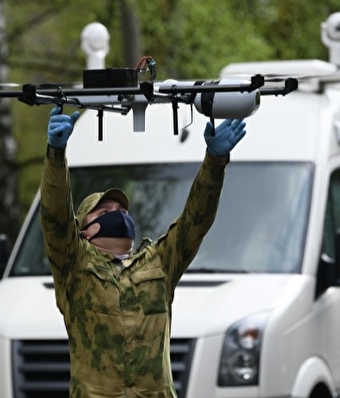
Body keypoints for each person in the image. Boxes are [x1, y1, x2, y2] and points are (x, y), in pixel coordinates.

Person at [40, 106, 246, 398]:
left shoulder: (159, 262)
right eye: (106, 211)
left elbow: (195, 221)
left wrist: (214, 162)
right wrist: (56, 156)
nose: (119, 214)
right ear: (85, 230)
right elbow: (55, 216)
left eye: (122, 210)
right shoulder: (74, 264)